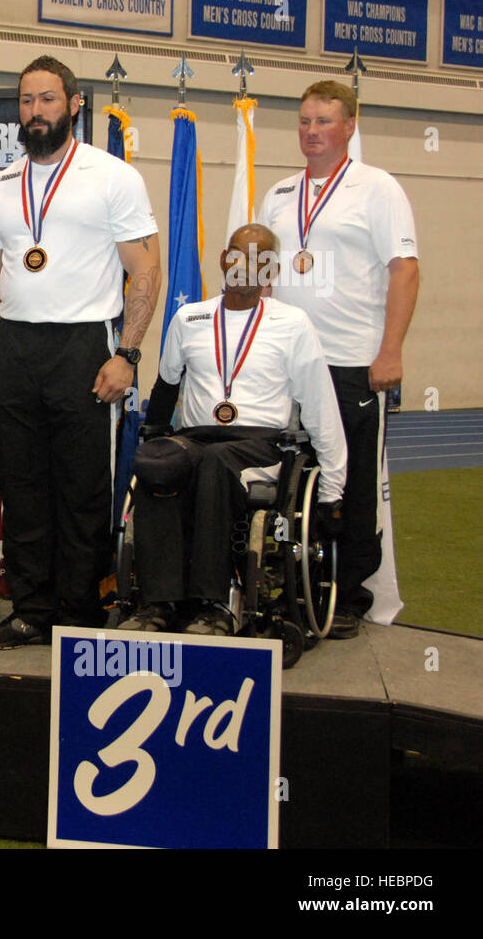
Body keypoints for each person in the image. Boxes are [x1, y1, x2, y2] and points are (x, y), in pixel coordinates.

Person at [0, 55, 163, 650]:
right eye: (26, 101)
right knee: (22, 486)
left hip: (86, 345)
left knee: (81, 488)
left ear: (74, 105)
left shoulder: (112, 176)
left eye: (48, 99)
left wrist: (126, 354)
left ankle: (79, 612)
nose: (36, 112)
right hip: (18, 346)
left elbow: (145, 268)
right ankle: (32, 609)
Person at [119, 224, 346, 634]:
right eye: (241, 254)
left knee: (214, 464)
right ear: (226, 260)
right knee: (158, 463)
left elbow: (319, 407)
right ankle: (157, 602)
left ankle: (215, 602)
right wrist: (153, 440)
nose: (249, 265)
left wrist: (332, 489)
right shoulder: (190, 317)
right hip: (197, 436)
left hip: (258, 443)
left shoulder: (293, 324)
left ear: (272, 270)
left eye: (262, 258)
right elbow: (167, 387)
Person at [258, 80, 419, 638]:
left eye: (324, 121)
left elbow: (405, 270)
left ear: (349, 126)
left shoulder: (378, 189)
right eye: (304, 121)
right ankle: (292, 578)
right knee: (289, 478)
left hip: (352, 362)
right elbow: (260, 275)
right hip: (285, 364)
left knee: (350, 481)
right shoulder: (278, 194)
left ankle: (347, 593)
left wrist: (390, 350)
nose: (311, 132)